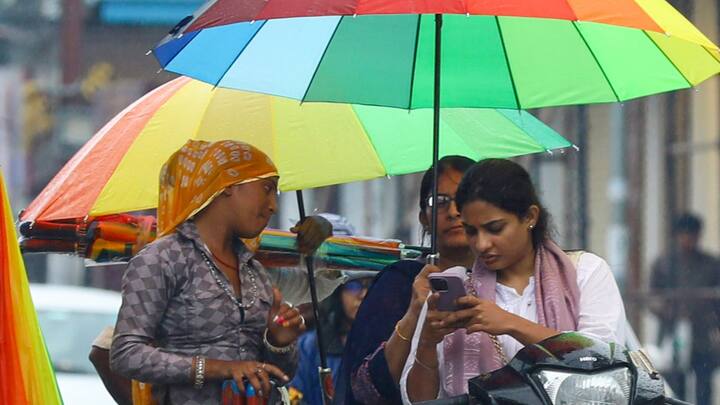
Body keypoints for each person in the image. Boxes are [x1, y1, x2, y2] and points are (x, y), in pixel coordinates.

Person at [402, 158, 628, 402]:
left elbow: (603, 363)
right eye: (471, 231)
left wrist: (511, 324)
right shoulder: (456, 286)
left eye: (495, 228)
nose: (481, 244)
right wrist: (426, 342)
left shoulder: (585, 272)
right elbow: (417, 400)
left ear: (530, 216)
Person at [110, 140, 310, 404]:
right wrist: (219, 368)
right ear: (227, 186)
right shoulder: (163, 259)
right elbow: (125, 354)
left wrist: (278, 342)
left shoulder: (256, 272)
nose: (273, 204)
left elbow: (282, 374)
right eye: (267, 188)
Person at [335, 155, 476, 404]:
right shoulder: (399, 282)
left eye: (463, 200)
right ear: (423, 217)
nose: (454, 212)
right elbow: (364, 388)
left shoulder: (508, 280)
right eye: (440, 201)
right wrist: (414, 312)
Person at [650, 213, 720, 405]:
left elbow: (716, 300)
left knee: (704, 386)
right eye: (685, 235)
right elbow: (653, 298)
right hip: (673, 332)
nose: (688, 240)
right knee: (675, 384)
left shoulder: (711, 264)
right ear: (677, 235)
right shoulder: (665, 264)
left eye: (693, 235)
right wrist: (670, 311)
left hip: (702, 334)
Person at [290, 276, 374, 405]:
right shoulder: (309, 345)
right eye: (353, 286)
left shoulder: (391, 343)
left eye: (372, 285)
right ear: (337, 291)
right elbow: (294, 396)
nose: (363, 294)